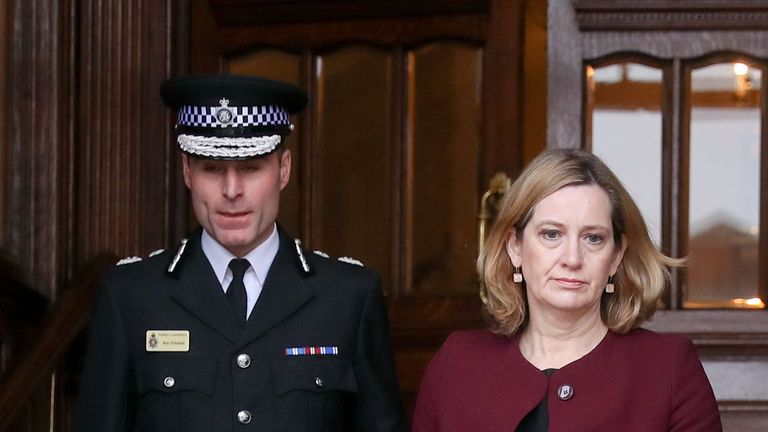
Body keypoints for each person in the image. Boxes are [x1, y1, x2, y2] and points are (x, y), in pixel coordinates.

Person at [76, 75, 408, 432]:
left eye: (250, 168)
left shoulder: (347, 297)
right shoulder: (131, 296)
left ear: (284, 169)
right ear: (187, 171)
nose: (231, 190)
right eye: (212, 169)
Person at [412, 149, 722, 432]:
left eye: (593, 238)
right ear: (515, 247)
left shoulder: (667, 368)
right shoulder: (458, 362)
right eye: (551, 234)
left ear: (616, 256)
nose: (572, 259)